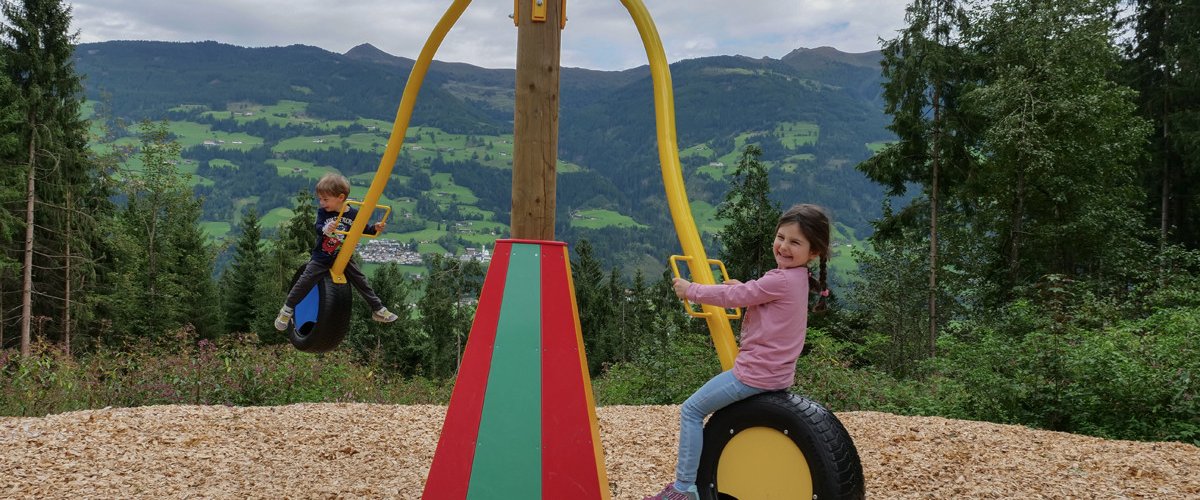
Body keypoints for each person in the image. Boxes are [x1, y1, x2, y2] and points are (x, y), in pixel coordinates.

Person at [645, 203, 831, 500]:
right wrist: (747, 287)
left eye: (795, 242)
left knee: (691, 410)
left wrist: (690, 289)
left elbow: (735, 296)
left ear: (813, 252)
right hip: (779, 374)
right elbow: (759, 294)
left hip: (754, 374)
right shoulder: (798, 278)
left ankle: (682, 490)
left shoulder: (780, 279)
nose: (783, 246)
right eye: (781, 237)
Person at [274, 172, 399, 331]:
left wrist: (375, 228)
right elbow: (318, 228)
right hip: (322, 256)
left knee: (361, 280)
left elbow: (363, 230)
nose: (321, 203)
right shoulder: (323, 213)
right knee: (305, 280)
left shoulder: (354, 214)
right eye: (320, 199)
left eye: (325, 199)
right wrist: (326, 228)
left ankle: (378, 309)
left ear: (340, 197)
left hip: (343, 255)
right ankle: (287, 309)